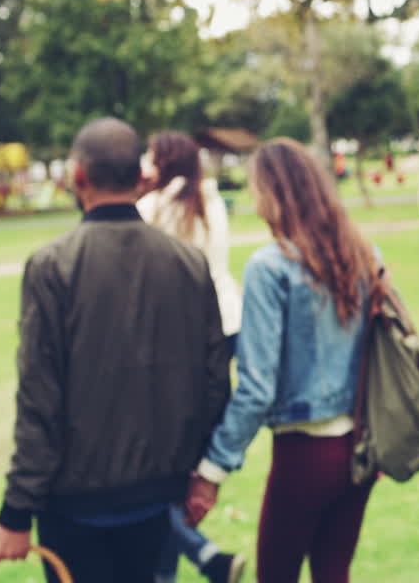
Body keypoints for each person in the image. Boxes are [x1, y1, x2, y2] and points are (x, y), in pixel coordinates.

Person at [0, 118, 232, 583]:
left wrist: (16, 512)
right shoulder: (187, 263)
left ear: (77, 177)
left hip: (78, 504)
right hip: (158, 495)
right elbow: (215, 381)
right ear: (140, 178)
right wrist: (195, 469)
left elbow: (40, 400)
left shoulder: (52, 266)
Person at [185, 138, 378, 583]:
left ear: (271, 192)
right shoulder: (362, 255)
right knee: (333, 573)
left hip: (305, 451)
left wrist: (211, 470)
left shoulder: (270, 267)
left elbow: (255, 389)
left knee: (276, 574)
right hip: (364, 448)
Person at [137, 131, 246, 583]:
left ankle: (199, 558)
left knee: (157, 471)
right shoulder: (209, 199)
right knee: (178, 471)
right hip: (226, 324)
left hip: (178, 342)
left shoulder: (153, 208)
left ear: (163, 161)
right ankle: (199, 558)